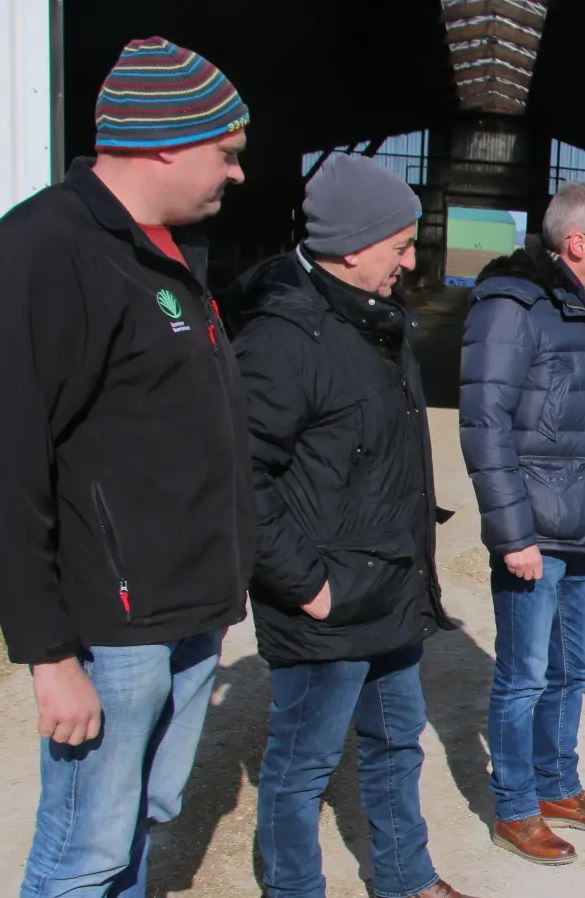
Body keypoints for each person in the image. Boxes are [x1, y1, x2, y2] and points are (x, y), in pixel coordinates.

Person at [0, 37, 255, 898]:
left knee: (145, 818)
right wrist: (49, 655)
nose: (239, 174)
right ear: (167, 142)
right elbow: (5, 463)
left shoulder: (165, 254)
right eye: (228, 153)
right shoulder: (46, 250)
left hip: (187, 610)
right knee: (85, 852)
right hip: (113, 626)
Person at [226, 154, 476, 898]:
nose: (410, 260)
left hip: (389, 585)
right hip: (328, 600)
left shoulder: (378, 323)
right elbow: (240, 475)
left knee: (398, 746)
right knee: (301, 768)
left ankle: (406, 879)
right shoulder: (281, 339)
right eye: (399, 245)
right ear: (351, 245)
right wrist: (307, 585)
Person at [460, 181, 585, 866]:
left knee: (574, 666)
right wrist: (513, 535)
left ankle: (559, 784)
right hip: (533, 529)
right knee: (524, 674)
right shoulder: (511, 306)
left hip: (582, 522)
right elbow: (485, 426)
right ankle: (516, 805)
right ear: (578, 242)